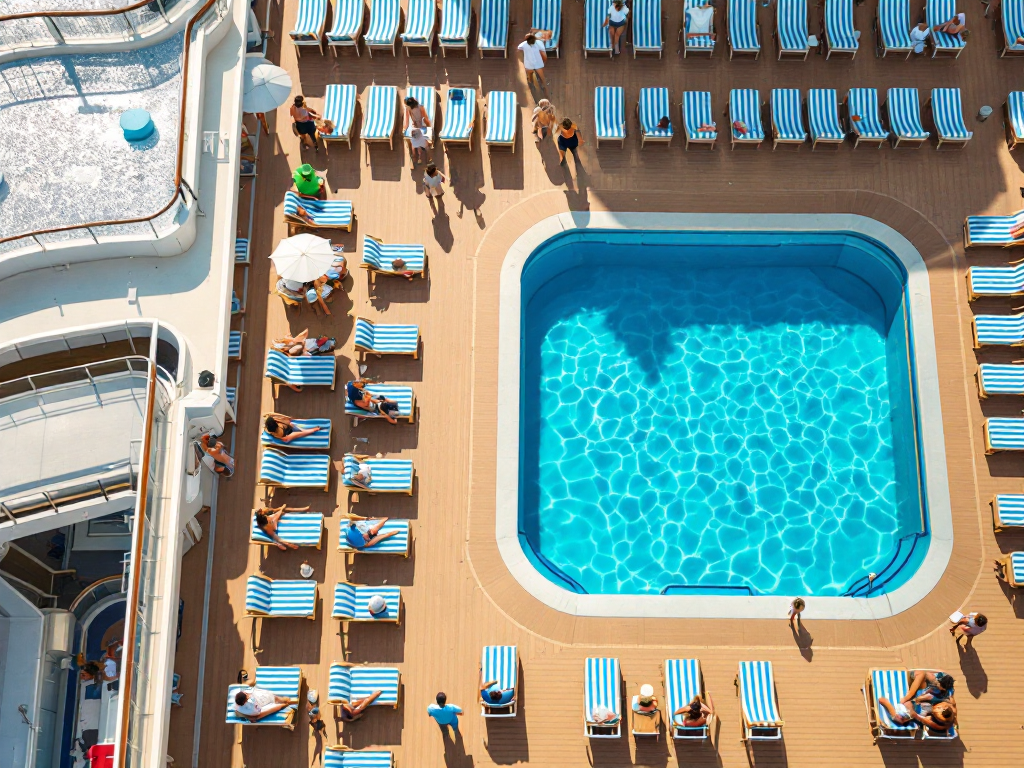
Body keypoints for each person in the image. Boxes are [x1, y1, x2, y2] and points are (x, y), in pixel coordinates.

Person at [876, 697, 956, 733]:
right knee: (905, 712)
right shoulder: (946, 706)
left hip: (916, 715)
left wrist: (913, 714)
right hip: (916, 708)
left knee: (901, 719)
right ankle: (890, 706)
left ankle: (889, 706)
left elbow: (919, 718)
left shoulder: (940, 725)